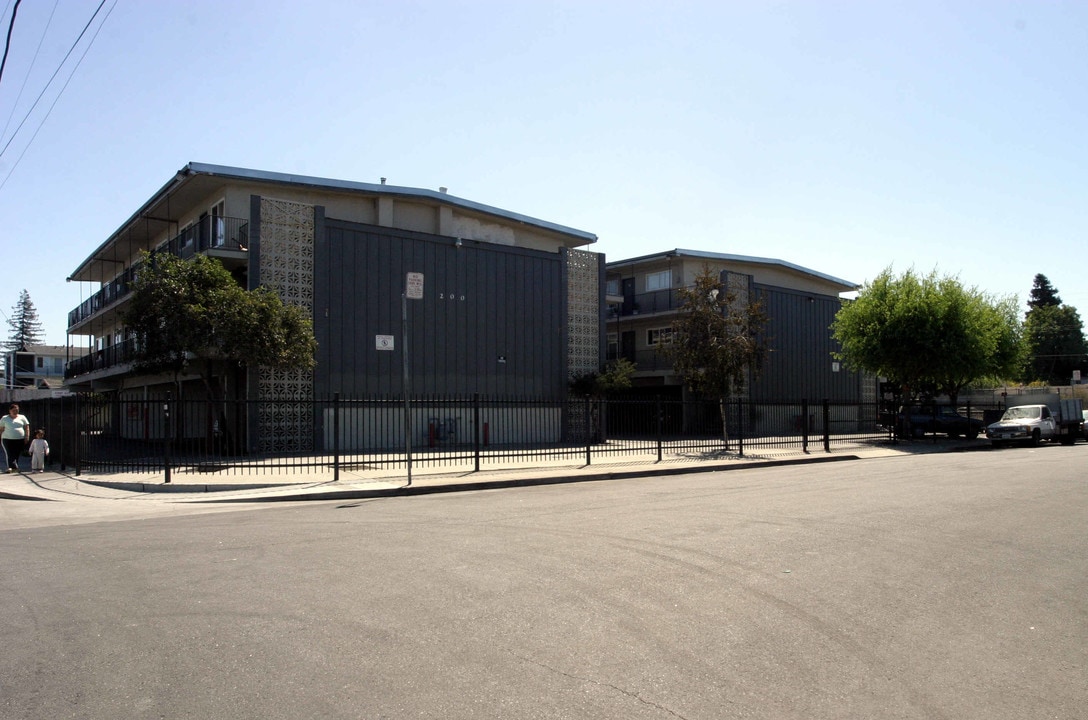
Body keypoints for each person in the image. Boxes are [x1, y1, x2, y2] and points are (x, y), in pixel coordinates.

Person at [1, 403, 30, 473]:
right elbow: (1, 429)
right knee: (9, 453)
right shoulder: (4, 418)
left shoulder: (22, 417)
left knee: (16, 453)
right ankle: (11, 467)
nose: (15, 412)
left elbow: (27, 427)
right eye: (13, 410)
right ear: (10, 411)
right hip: (7, 438)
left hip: (19, 439)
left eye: (17, 410)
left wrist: (27, 436)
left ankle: (14, 467)